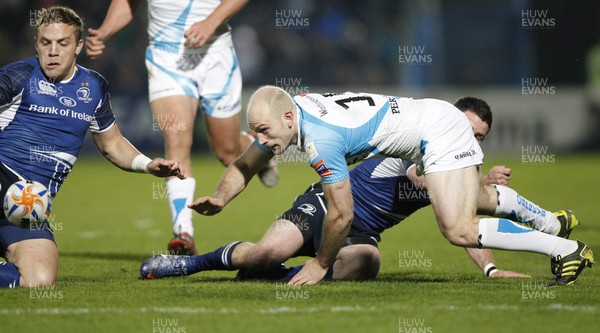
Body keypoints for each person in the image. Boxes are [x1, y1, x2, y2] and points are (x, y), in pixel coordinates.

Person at [187, 86, 594, 286]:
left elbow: (343, 213)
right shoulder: (297, 105)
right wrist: (221, 197)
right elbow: (246, 161)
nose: (257, 137)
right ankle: (552, 226)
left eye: (262, 129)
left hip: (435, 130)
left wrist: (320, 264)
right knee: (480, 199)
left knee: (457, 227)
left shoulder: (320, 141)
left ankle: (565, 249)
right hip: (431, 121)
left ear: (289, 120)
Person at [0, 6, 184, 288]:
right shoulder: (16, 77)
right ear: (36, 44)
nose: (53, 51)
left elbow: (112, 144)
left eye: (63, 43)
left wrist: (148, 165)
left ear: (78, 46)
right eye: (46, 42)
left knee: (38, 279)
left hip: (26, 208)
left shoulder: (94, 87)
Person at [85, 0, 278, 256]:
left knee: (227, 152)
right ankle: (183, 234)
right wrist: (105, 31)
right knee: (176, 140)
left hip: (214, 52)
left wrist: (211, 22)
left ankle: (260, 154)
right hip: (167, 58)